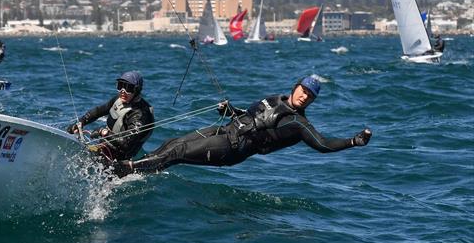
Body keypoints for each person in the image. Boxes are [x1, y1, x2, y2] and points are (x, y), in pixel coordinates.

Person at [112, 75, 371, 177]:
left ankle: (126, 171)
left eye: (309, 96)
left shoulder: (298, 123)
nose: (304, 96)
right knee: (173, 143)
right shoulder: (273, 99)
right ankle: (132, 171)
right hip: (225, 131)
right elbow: (246, 115)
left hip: (233, 148)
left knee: (177, 154)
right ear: (295, 87)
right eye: (303, 90)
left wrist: (353, 142)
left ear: (311, 101)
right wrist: (230, 111)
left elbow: (323, 144)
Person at [67, 71, 155, 161]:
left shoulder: (140, 115)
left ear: (136, 90)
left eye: (128, 88)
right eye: (120, 86)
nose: (122, 91)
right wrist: (81, 122)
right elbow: (99, 111)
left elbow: (126, 143)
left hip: (119, 159)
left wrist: (103, 132)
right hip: (105, 147)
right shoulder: (119, 99)